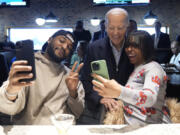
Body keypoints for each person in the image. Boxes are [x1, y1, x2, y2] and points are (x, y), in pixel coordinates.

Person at [0, 30, 84, 125]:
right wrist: (12, 90)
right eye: (61, 41)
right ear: (49, 39)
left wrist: (73, 93)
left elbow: (77, 112)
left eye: (69, 47)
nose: (64, 47)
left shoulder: (70, 76)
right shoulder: (28, 66)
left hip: (60, 129)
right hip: (30, 129)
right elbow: (9, 109)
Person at [92, 30, 171, 124]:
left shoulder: (153, 67)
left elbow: (150, 98)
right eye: (127, 46)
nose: (129, 49)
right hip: (138, 127)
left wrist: (119, 91)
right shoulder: (137, 68)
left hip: (154, 128)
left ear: (146, 48)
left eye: (135, 46)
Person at [78, 8, 134, 124]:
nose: (116, 33)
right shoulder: (94, 48)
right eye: (111, 28)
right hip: (102, 107)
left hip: (131, 106)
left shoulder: (136, 46)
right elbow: (85, 80)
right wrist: (100, 98)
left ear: (127, 26)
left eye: (120, 28)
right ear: (105, 26)